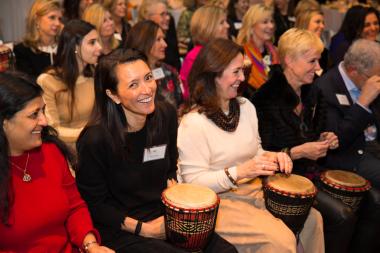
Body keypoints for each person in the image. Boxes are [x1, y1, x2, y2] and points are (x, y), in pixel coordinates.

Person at [75, 48, 237, 252]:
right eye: (134, 85)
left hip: (162, 213)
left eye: (148, 78)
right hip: (120, 226)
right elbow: (93, 204)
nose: (147, 89)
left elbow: (170, 165)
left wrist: (173, 190)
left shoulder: (165, 115)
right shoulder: (95, 140)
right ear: (113, 95)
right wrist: (144, 229)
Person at [178, 38, 324, 253]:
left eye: (242, 71)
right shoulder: (194, 123)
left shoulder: (245, 107)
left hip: (253, 190)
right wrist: (240, 171)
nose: (242, 78)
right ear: (214, 74)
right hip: (218, 203)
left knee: (313, 220)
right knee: (280, 240)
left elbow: (256, 151)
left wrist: (274, 157)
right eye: (236, 71)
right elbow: (193, 182)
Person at [252, 28, 358, 253]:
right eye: (312, 60)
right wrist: (298, 152)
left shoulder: (313, 93)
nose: (318, 67)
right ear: (289, 60)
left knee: (359, 205)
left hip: (309, 173)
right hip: (279, 180)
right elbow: (260, 156)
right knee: (342, 216)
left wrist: (325, 138)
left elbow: (316, 133)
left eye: (318, 60)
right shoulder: (264, 98)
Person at [0, 72, 114, 253]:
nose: (44, 121)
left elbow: (74, 207)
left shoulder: (50, 153)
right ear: (4, 123)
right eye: (34, 114)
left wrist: (90, 245)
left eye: (43, 110)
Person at [315, 39, 380, 253]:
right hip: (348, 156)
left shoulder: (369, 78)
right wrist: (363, 102)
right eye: (374, 76)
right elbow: (336, 142)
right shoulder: (326, 87)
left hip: (371, 147)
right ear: (353, 70)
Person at [37, 20, 102, 149]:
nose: (99, 47)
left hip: (96, 145)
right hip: (66, 150)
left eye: (98, 41)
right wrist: (92, 134)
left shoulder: (96, 75)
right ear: (75, 48)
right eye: (92, 42)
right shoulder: (48, 81)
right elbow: (51, 129)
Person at [125, 20, 184, 109]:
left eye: (163, 39)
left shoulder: (170, 72)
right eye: (158, 39)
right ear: (144, 42)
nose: (165, 44)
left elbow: (181, 104)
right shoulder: (129, 76)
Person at [180, 5, 229, 99]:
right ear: (207, 27)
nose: (227, 25)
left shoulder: (221, 51)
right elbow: (192, 94)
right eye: (222, 22)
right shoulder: (195, 56)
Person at [237, 3, 279, 95]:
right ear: (251, 27)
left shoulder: (275, 52)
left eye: (272, 21)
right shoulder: (241, 54)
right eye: (265, 22)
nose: (271, 26)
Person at [14, 0, 62, 80]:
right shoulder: (22, 50)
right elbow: (28, 85)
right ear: (37, 19)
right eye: (52, 17)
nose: (57, 23)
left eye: (60, 19)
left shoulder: (65, 46)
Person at [138, 0, 181, 70]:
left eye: (167, 14)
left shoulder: (170, 26)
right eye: (162, 14)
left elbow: (176, 60)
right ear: (148, 17)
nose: (168, 18)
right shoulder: (140, 37)